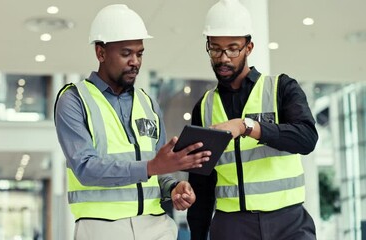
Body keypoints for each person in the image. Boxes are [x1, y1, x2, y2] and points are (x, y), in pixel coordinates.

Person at [54, 4, 212, 240]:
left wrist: (173, 188)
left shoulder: (148, 103)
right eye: (126, 53)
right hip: (102, 228)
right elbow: (85, 168)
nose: (135, 62)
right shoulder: (74, 100)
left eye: (139, 53)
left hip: (156, 226)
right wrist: (151, 167)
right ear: (101, 53)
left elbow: (158, 170)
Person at [186, 0, 319, 239]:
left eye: (233, 48)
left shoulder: (281, 88)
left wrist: (248, 126)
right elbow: (202, 183)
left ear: (249, 48)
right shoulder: (204, 107)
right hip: (231, 225)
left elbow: (307, 138)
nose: (223, 58)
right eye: (215, 48)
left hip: (288, 222)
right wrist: (197, 234)